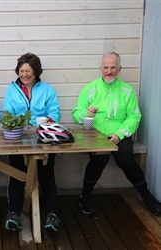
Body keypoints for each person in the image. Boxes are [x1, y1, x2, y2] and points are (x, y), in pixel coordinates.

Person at [72, 51, 161, 216]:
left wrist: (119, 134)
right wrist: (86, 114)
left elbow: (134, 116)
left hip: (119, 134)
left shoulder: (127, 91)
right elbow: (76, 113)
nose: (109, 71)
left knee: (125, 158)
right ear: (101, 68)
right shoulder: (90, 89)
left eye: (113, 67)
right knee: (100, 157)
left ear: (120, 68)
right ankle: (85, 195)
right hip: (96, 135)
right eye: (106, 67)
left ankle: (146, 195)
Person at [3, 53, 61, 232]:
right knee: (16, 174)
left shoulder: (47, 90)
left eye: (28, 71)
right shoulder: (11, 90)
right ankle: (13, 213)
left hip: (43, 138)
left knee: (46, 175)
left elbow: (55, 112)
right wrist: (16, 122)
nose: (25, 74)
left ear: (36, 72)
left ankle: (52, 214)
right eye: (22, 71)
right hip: (18, 138)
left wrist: (48, 120)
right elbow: (7, 113)